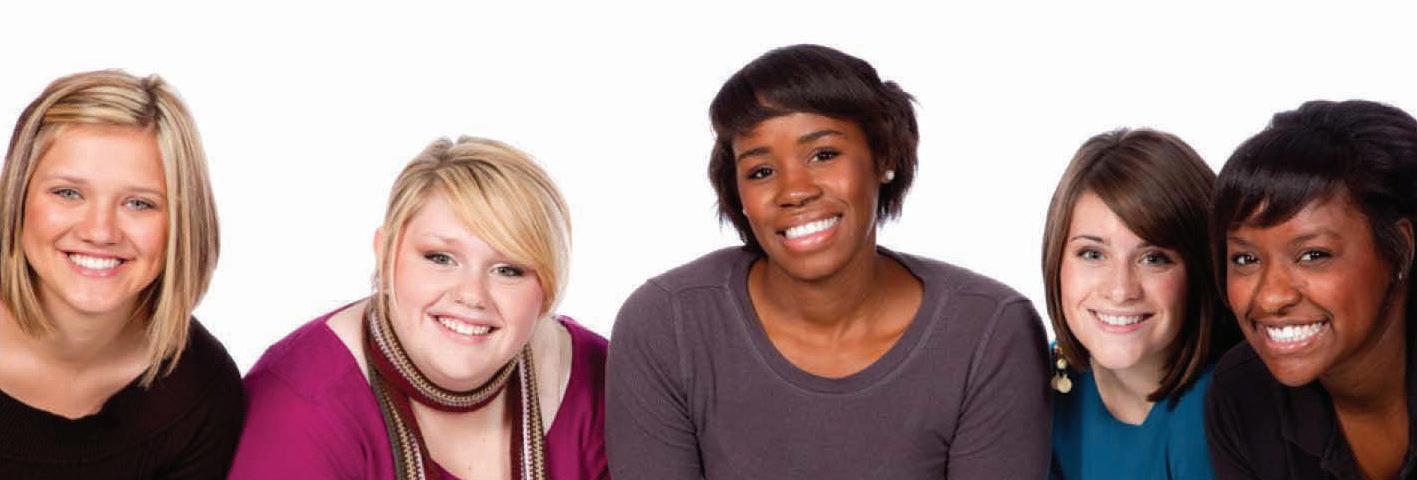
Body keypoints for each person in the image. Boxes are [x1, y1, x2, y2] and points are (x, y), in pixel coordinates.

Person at [606, 44, 1050, 479]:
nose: (795, 191)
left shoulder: (987, 331)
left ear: (883, 157)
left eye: (823, 155)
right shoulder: (667, 325)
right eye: (761, 172)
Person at [231, 137, 608, 479]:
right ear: (385, 255)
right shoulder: (301, 404)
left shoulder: (595, 381)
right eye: (440, 258)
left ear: (548, 288)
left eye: (509, 270)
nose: (472, 295)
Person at [0, 70, 242, 478]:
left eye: (138, 203)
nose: (100, 232)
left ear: (181, 223)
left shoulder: (201, 394)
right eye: (68, 193)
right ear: (17, 197)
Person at [1205, 100, 1417, 479]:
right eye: (1245, 259)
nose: (1270, 297)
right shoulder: (1242, 396)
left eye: (1313, 255)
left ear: (1399, 250)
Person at [1043, 128, 1239, 479]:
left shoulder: (1224, 403)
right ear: (1056, 259)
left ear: (1202, 268)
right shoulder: (1044, 377)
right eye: (1092, 254)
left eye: (1154, 258)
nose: (1120, 290)